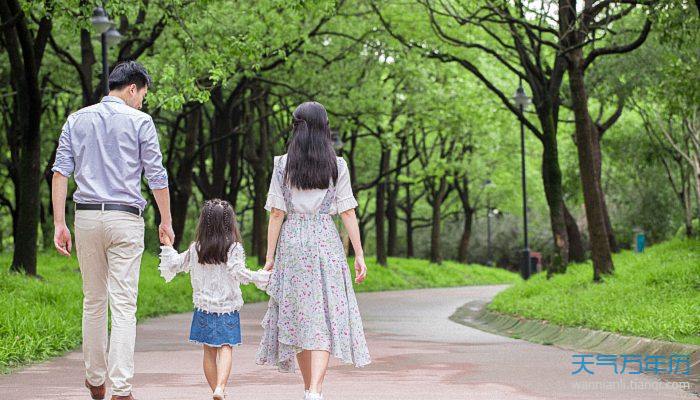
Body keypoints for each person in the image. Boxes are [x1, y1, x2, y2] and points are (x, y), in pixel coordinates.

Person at [51, 61, 173, 400]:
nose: (143, 102)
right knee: (123, 305)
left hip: (86, 218)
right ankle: (121, 388)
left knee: (93, 300)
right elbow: (156, 176)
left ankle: (95, 380)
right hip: (125, 219)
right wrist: (166, 220)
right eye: (143, 95)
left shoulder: (76, 119)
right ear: (132, 89)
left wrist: (59, 223)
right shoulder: (141, 122)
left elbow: (61, 173)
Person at [256, 101, 371, 400]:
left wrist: (269, 257)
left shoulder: (282, 164)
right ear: (325, 128)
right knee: (322, 318)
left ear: (296, 126)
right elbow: (347, 212)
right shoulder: (338, 165)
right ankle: (315, 390)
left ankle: (310, 389)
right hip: (326, 242)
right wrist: (358, 253)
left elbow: (277, 214)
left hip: (293, 243)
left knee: (300, 318)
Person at [158, 199, 270, 400]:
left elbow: (174, 264)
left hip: (203, 309)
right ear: (229, 223)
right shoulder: (233, 248)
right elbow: (240, 273)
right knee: (226, 347)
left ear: (203, 223)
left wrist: (167, 246)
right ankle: (221, 387)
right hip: (227, 309)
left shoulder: (196, 248)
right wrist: (261, 276)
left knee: (209, 352)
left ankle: (216, 391)